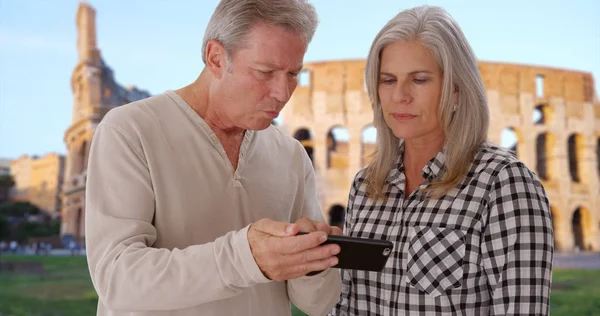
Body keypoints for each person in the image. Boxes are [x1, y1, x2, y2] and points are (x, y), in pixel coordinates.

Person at [85, 1, 342, 315]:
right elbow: (117, 281)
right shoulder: (130, 131)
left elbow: (316, 304)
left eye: (293, 74)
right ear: (216, 58)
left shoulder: (291, 156)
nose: (282, 92)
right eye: (265, 73)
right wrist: (246, 258)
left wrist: (312, 263)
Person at [330, 5, 553, 316]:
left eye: (419, 80)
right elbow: (347, 306)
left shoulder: (504, 184)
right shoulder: (366, 185)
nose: (400, 96)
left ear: (456, 88)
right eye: (388, 80)